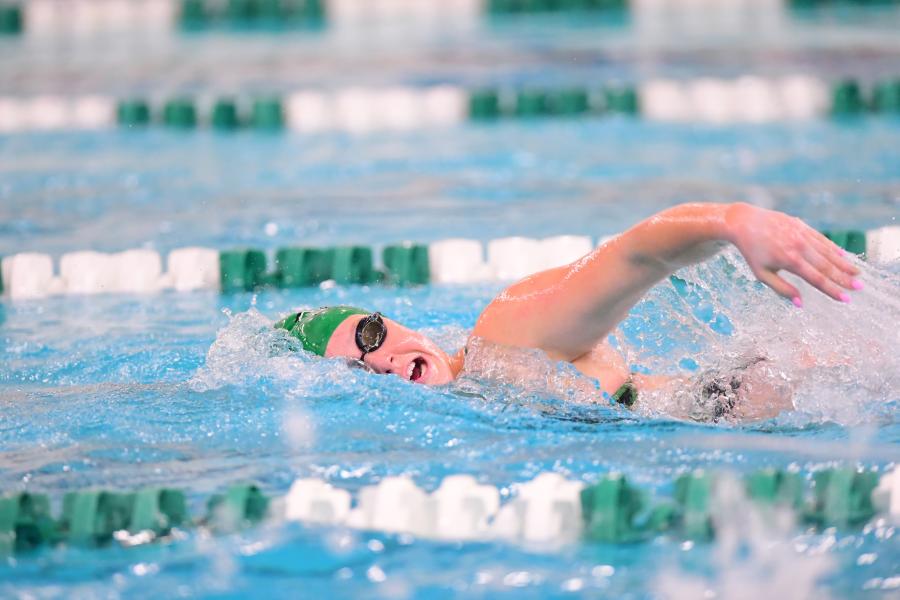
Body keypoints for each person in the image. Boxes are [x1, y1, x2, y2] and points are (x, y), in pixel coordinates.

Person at [275, 202, 862, 421]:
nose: (380, 362)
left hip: (808, 380)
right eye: (356, 371)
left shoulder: (501, 339)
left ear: (399, 323)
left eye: (369, 334)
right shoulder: (478, 398)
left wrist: (731, 222)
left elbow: (629, 257)